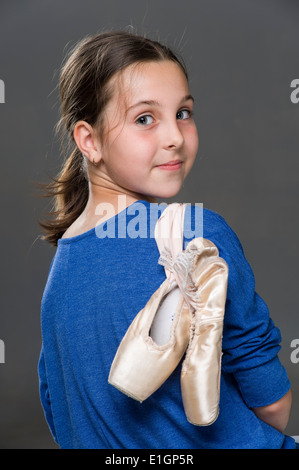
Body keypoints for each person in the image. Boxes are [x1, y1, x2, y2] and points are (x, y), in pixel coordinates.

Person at [38, 30, 295, 449]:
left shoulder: (61, 274)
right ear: (90, 140)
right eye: (145, 118)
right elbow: (273, 405)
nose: (174, 135)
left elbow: (60, 411)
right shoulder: (198, 234)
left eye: (184, 113)